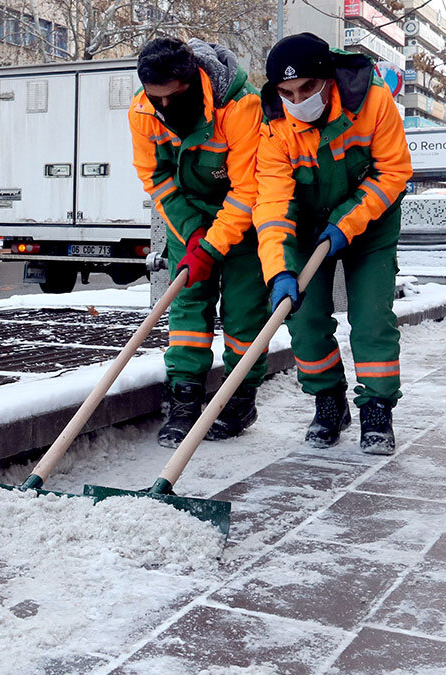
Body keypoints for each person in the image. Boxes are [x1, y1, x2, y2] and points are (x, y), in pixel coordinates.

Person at [253, 33, 413, 454]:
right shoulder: (272, 125)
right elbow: (270, 203)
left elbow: (393, 172)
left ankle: (377, 407)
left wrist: (349, 220)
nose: (297, 99)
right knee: (302, 319)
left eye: (307, 87)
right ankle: (329, 401)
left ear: (328, 80)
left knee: (371, 315)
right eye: (286, 92)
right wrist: (279, 269)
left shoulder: (372, 99)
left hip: (372, 219)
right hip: (307, 226)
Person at [129, 36, 272, 448]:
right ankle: (185, 397)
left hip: (241, 222)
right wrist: (192, 234)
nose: (164, 107)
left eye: (173, 97)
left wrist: (213, 246)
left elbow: (247, 189)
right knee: (188, 306)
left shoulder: (239, 107)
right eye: (156, 98)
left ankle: (238, 398)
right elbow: (156, 177)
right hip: (188, 218)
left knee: (245, 315)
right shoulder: (143, 111)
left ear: (192, 82)